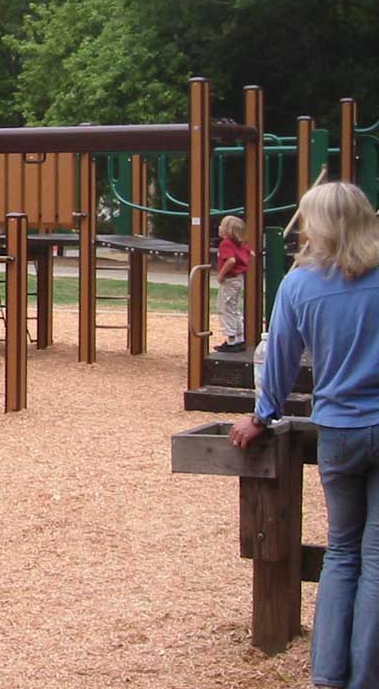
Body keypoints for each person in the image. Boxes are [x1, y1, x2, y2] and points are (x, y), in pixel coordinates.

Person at [229, 182, 379, 689]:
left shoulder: (299, 284)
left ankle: (328, 674)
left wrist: (262, 415)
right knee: (376, 557)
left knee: (341, 552)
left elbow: (281, 361)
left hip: (337, 426)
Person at [215, 214, 251, 352]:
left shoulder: (226, 243)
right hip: (238, 278)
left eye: (222, 225)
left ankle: (230, 340)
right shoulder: (239, 244)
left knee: (225, 308)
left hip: (230, 279)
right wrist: (243, 268)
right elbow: (251, 255)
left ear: (228, 230)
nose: (219, 227)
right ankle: (239, 337)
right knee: (234, 308)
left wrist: (221, 274)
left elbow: (231, 261)